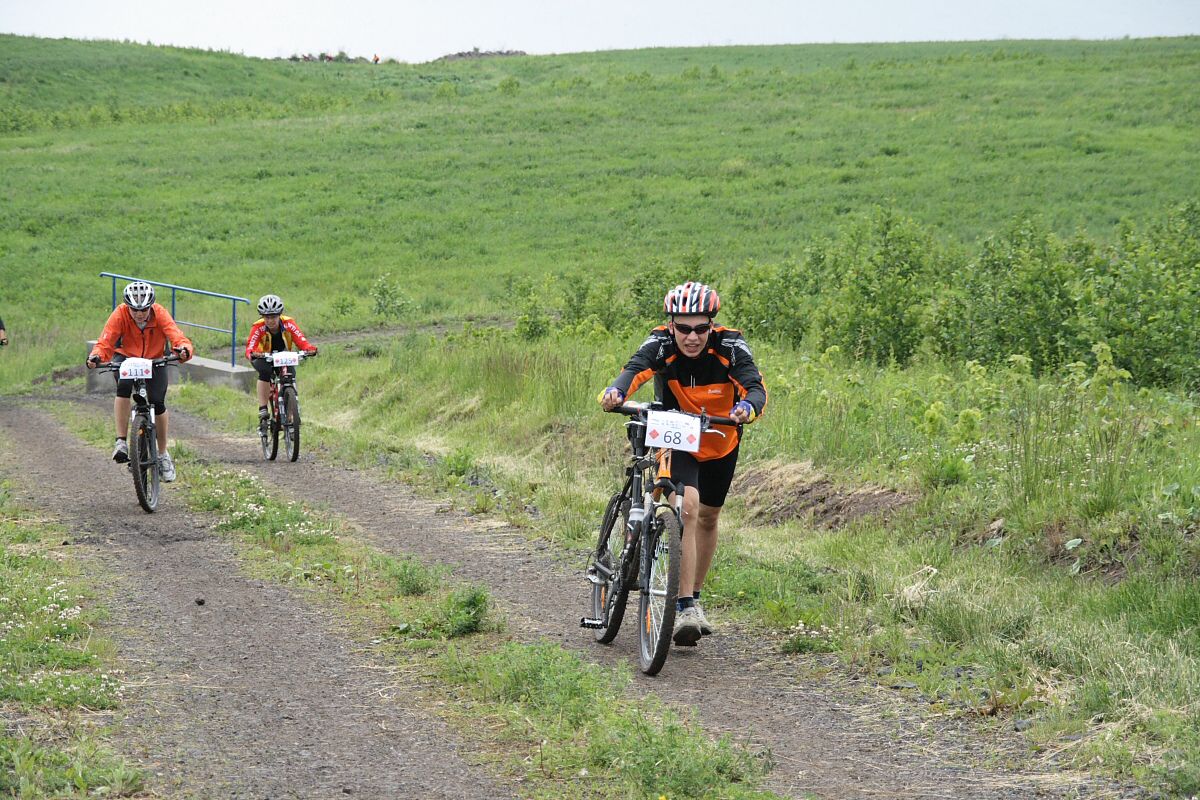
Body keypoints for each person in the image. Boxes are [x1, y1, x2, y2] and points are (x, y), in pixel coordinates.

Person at [600, 281, 766, 647]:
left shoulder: (731, 346)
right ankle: (684, 605)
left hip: (721, 440)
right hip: (677, 435)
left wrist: (747, 407)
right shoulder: (661, 343)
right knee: (688, 507)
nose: (692, 337)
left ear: (712, 325)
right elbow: (635, 369)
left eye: (701, 328)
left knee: (708, 517)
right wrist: (616, 392)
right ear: (671, 324)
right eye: (684, 328)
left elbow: (755, 387)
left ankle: (695, 598)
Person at [86, 281, 193, 481]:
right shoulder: (120, 314)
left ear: (151, 306)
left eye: (144, 309)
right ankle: (121, 441)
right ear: (128, 307)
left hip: (155, 358)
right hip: (126, 357)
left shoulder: (160, 313)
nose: (139, 314)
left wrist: (183, 349)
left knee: (158, 402)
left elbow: (176, 335)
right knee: (123, 388)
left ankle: (162, 454)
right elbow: (105, 341)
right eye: (134, 310)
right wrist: (96, 356)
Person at [245, 295, 318, 427]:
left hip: (283, 354)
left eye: (273, 317)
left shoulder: (289, 323)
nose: (270, 321)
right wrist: (252, 353)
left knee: (290, 375)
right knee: (265, 373)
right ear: (262, 316)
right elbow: (250, 346)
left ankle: (290, 413)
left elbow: (301, 340)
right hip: (262, 355)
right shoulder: (258, 327)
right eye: (267, 317)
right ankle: (263, 409)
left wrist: (309, 349)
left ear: (280, 315)